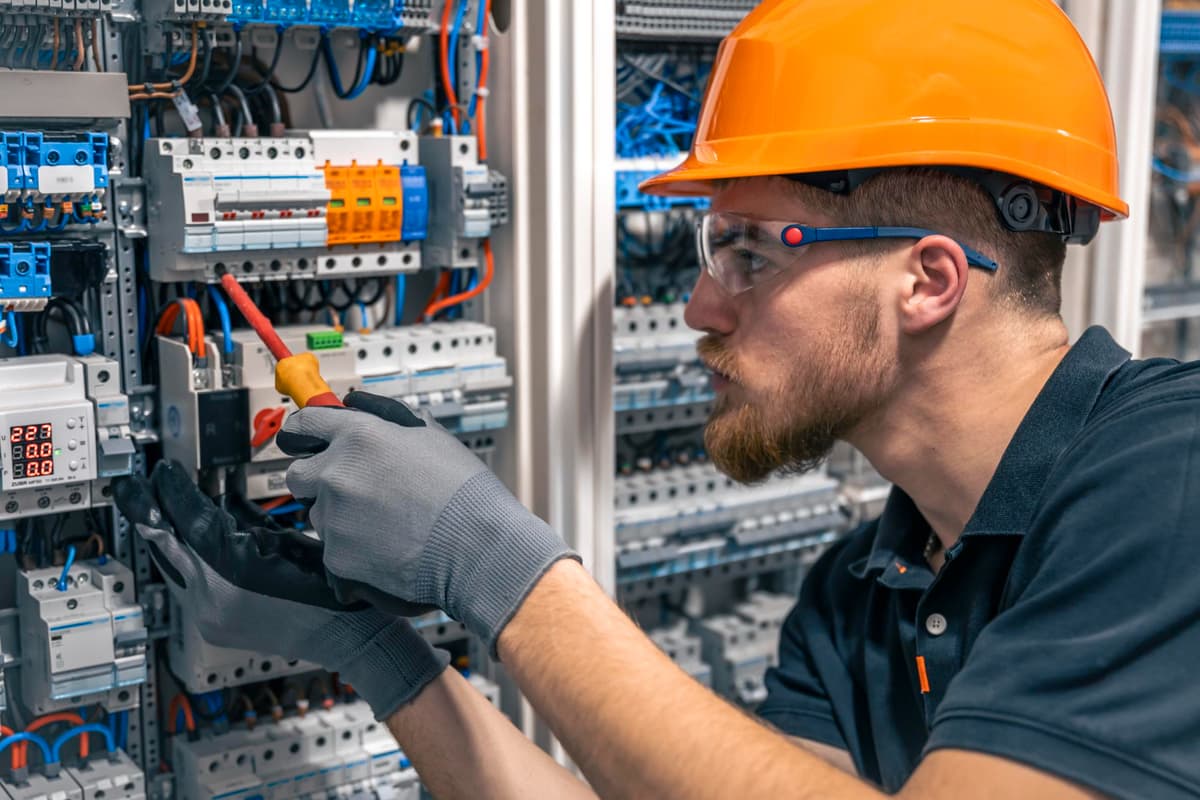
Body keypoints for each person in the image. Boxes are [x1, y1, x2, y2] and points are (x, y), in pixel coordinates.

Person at [115, 0, 1200, 797]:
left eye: (743, 252)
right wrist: (377, 651)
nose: (696, 306)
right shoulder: (859, 595)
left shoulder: (1171, 474)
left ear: (927, 279)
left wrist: (498, 564)